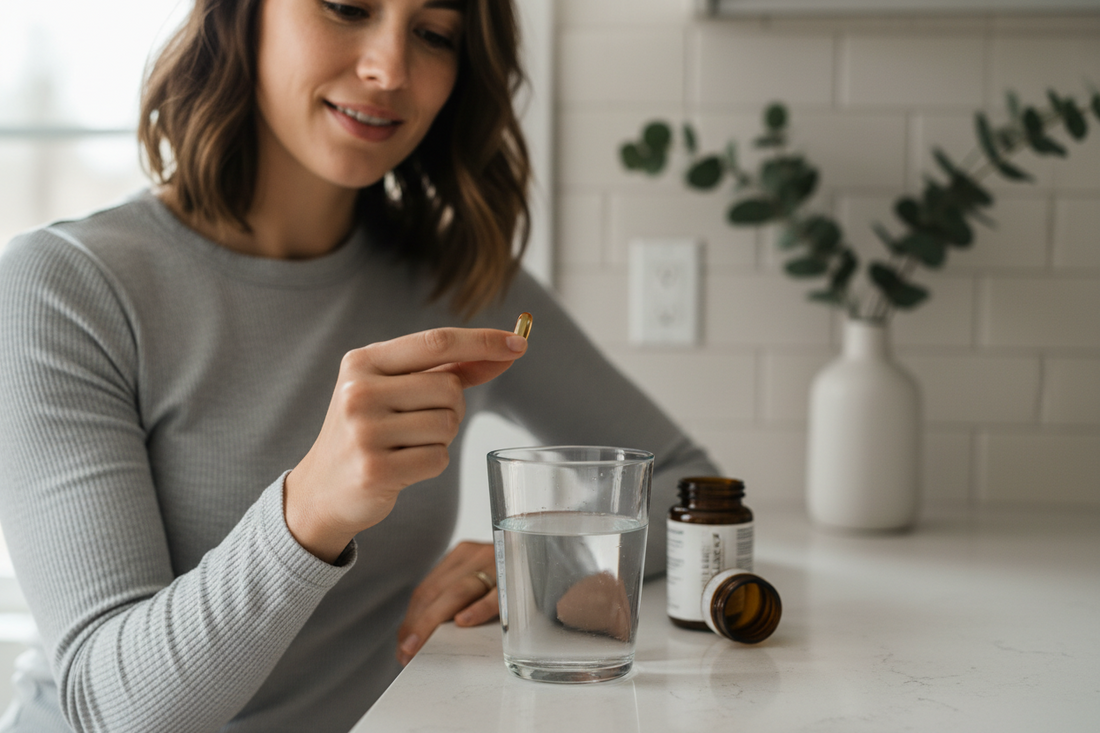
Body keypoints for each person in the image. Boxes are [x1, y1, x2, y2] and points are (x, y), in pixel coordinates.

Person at [0, 0, 719, 731]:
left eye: (434, 34)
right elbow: (111, 708)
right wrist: (312, 505)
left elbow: (694, 489)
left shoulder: (462, 281)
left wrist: (538, 566)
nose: (389, 70)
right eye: (347, 7)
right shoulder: (67, 284)